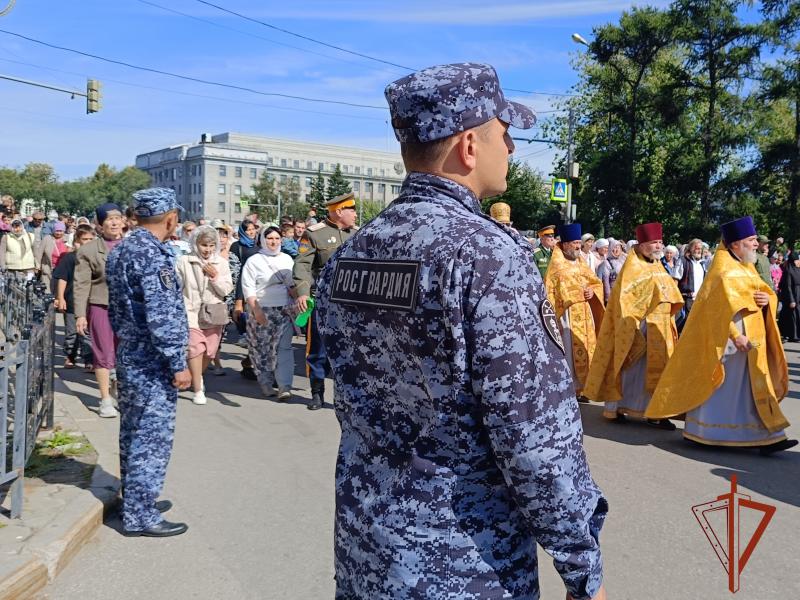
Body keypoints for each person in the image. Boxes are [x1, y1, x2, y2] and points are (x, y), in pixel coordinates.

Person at [317, 62, 607, 600]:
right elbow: (534, 438)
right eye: (506, 133)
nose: (513, 148)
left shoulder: (352, 252)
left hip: (368, 549)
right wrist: (582, 565)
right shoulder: (485, 255)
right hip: (464, 564)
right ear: (469, 145)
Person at [647, 216, 797, 455]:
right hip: (727, 342)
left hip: (752, 338)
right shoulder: (722, 268)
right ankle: (706, 431)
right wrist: (736, 336)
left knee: (750, 387)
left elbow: (765, 292)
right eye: (751, 240)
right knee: (722, 386)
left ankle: (768, 436)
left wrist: (768, 300)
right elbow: (713, 310)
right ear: (735, 244)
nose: (756, 244)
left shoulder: (747, 266)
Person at [107, 187, 191, 537]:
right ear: (170, 217)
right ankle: (141, 515)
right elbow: (162, 317)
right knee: (150, 437)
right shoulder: (153, 255)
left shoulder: (123, 247)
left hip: (131, 351)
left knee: (132, 432)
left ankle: (136, 501)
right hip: (152, 359)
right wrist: (177, 362)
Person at [583, 222, 683, 429]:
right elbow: (625, 299)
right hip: (638, 327)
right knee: (630, 369)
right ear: (642, 244)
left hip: (661, 327)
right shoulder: (632, 267)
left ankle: (656, 412)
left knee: (659, 369)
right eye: (654, 243)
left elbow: (668, 290)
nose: (658, 246)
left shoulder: (656, 265)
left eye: (660, 242)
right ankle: (618, 407)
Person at [293, 192, 359, 411]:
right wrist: (302, 292)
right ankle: (317, 392)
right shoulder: (314, 235)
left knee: (348, 351)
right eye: (352, 210)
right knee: (317, 350)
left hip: (349, 304)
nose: (355, 214)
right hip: (322, 301)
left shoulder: (358, 234)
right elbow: (302, 265)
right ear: (339, 212)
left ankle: (347, 397)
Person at [75, 203, 125, 419]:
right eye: (109, 219)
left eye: (117, 218)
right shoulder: (88, 250)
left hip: (128, 310)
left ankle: (121, 393)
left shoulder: (133, 246)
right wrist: (80, 315)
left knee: (125, 355)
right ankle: (105, 399)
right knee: (103, 354)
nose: (114, 222)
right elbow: (81, 284)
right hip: (101, 306)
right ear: (99, 224)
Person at [544, 223, 605, 399]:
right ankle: (568, 389)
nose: (578, 246)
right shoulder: (556, 266)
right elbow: (550, 292)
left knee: (586, 348)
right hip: (567, 316)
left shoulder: (581, 262)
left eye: (579, 242)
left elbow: (595, 283)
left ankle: (584, 388)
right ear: (564, 245)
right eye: (575, 243)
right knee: (569, 354)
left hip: (585, 315)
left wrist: (592, 291)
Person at [175, 226, 233, 405]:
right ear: (195, 244)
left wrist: (215, 277)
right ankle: (199, 389)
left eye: (211, 245)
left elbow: (227, 289)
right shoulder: (184, 261)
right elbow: (176, 287)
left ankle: (194, 376)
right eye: (203, 245)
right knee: (194, 348)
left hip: (212, 312)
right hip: (190, 309)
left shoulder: (221, 263)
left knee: (209, 351)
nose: (207, 249)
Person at [241, 226, 296, 400]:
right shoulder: (254, 261)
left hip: (284, 309)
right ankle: (265, 382)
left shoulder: (288, 259)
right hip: (262, 309)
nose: (274, 242)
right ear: (263, 240)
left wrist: (300, 302)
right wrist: (256, 310)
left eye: (277, 238)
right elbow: (248, 288)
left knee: (284, 348)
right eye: (270, 238)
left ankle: (284, 386)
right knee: (262, 349)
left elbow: (293, 285)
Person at [54, 223, 95, 368]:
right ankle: (70, 356)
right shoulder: (70, 258)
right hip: (71, 301)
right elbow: (62, 278)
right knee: (72, 332)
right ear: (77, 240)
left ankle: (89, 359)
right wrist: (60, 298)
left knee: (87, 333)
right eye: (85, 239)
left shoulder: (95, 258)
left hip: (90, 301)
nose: (88, 242)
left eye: (91, 239)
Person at [230, 219, 260, 379]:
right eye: (248, 230)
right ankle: (250, 364)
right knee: (251, 331)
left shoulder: (258, 246)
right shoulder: (236, 246)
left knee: (257, 333)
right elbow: (236, 271)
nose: (251, 232)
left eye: (253, 229)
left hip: (258, 291)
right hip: (241, 289)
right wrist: (238, 301)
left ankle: (250, 363)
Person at [676, 239, 707, 331]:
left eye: (700, 249)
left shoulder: (702, 264)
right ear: (690, 249)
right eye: (696, 248)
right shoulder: (682, 261)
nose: (698, 250)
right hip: (686, 300)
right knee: (686, 326)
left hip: (699, 301)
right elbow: (675, 280)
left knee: (696, 327)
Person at [36, 221, 69, 289]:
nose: (59, 233)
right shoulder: (47, 238)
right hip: (48, 268)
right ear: (53, 230)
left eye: (61, 231)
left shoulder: (67, 240)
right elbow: (39, 253)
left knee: (58, 290)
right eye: (57, 231)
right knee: (47, 289)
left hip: (62, 270)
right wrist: (37, 266)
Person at [778, 251, 800, 342]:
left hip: (798, 294)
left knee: (798, 315)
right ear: (793, 260)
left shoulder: (798, 269)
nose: (799, 261)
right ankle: (793, 335)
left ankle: (797, 334)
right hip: (792, 296)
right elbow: (788, 286)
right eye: (797, 260)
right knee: (793, 315)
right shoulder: (788, 270)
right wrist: (791, 300)